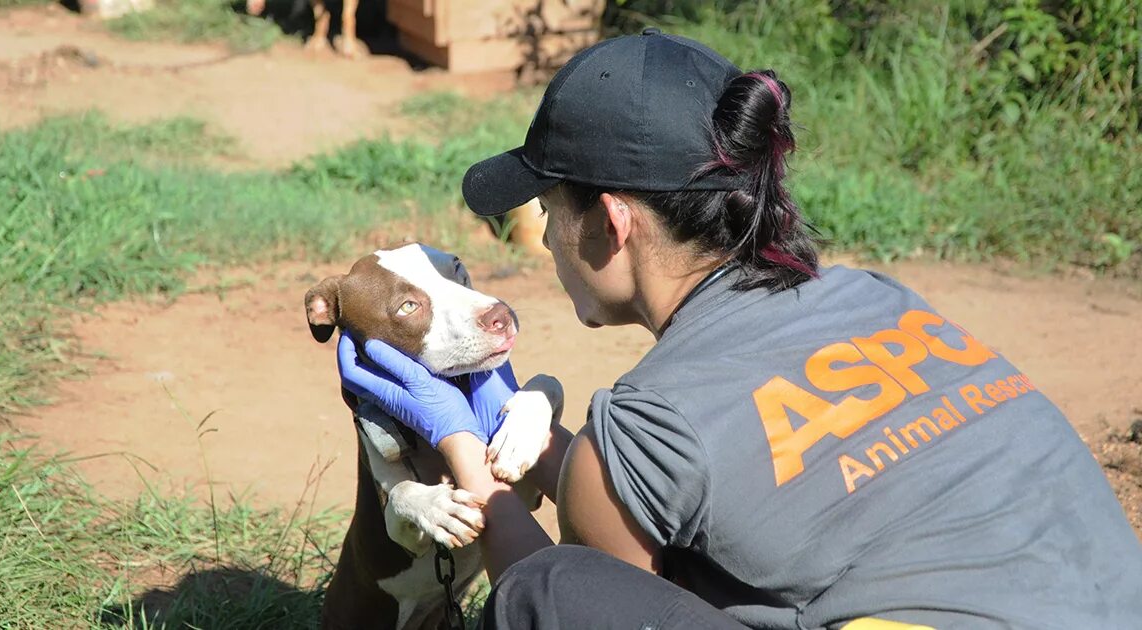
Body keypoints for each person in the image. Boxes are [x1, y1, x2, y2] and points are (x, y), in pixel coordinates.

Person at [336, 29, 1142, 629]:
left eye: (549, 211)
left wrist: (467, 460)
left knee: (555, 588)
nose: (546, 240)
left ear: (612, 225)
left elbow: (571, 598)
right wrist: (547, 449)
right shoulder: (876, 297)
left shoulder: (650, 425)